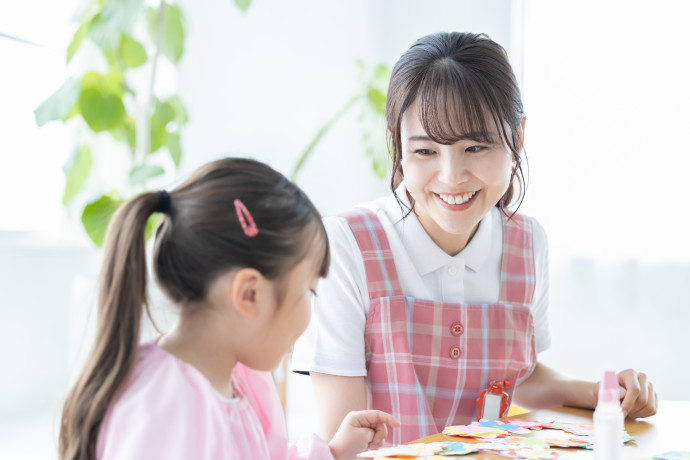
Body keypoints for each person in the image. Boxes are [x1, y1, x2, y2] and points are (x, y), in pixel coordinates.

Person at [291, 32, 658, 445]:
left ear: (518, 137)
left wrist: (600, 394)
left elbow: (517, 376)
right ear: (398, 145)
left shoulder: (527, 243)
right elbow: (344, 439)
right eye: (426, 152)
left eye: (475, 147)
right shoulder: (346, 246)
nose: (451, 176)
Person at [58, 157, 399, 460]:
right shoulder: (168, 410)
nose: (309, 316)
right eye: (308, 292)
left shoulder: (239, 379)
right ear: (249, 294)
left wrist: (334, 453)